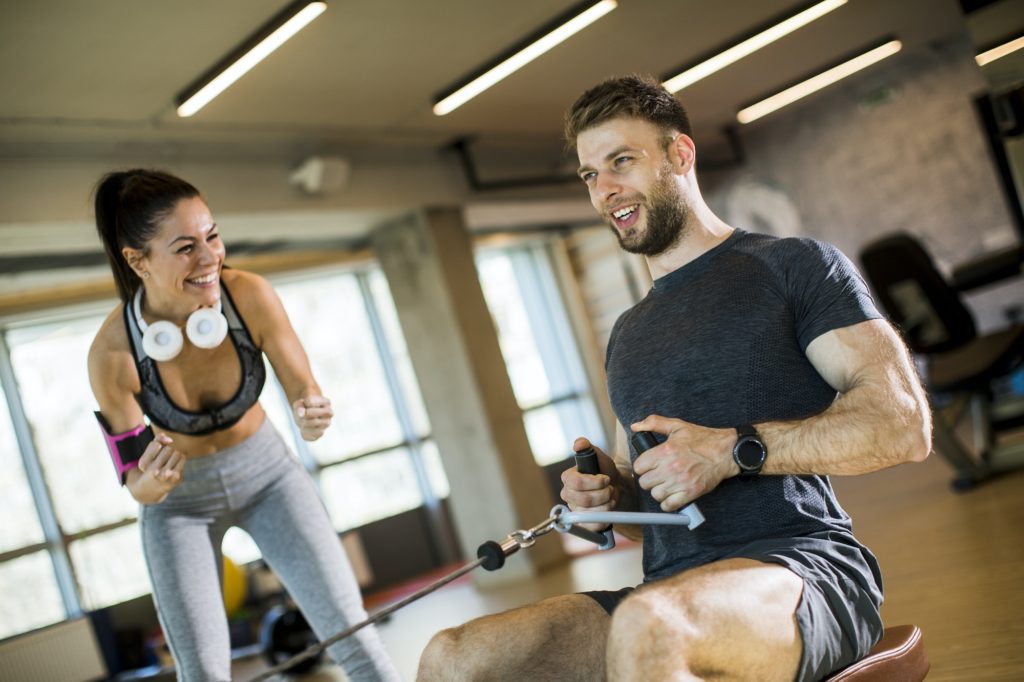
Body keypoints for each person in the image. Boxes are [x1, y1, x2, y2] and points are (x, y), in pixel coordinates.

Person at [417, 75, 932, 681]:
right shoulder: (628, 333)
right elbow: (647, 502)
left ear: (679, 155)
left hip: (804, 569)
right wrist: (609, 497)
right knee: (452, 659)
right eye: (590, 174)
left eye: (622, 162)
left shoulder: (793, 267)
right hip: (667, 588)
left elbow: (904, 425)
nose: (605, 189)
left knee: (651, 625)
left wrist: (732, 451)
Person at [87, 169, 401, 682]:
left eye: (212, 236)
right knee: (205, 675)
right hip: (179, 508)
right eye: (185, 247)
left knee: (354, 637)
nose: (209, 257)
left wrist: (311, 412)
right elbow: (137, 485)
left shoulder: (247, 295)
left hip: (269, 475)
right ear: (137, 259)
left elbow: (305, 390)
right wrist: (155, 481)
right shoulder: (112, 355)